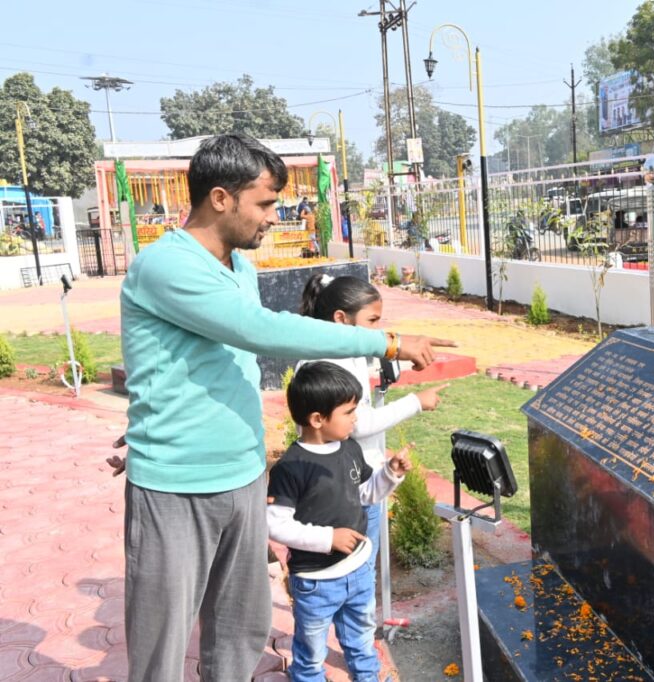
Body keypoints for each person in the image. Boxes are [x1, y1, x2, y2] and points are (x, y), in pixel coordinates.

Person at [116, 133, 452, 681]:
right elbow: (258, 331)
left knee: (240, 625)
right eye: (266, 202)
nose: (275, 216)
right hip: (178, 485)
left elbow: (213, 362)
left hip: (243, 475)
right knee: (163, 639)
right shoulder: (165, 266)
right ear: (221, 198)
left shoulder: (239, 270)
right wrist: (387, 343)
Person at [267, 361, 411, 682]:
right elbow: (276, 526)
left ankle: (367, 677)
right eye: (348, 411)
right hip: (317, 582)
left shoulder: (349, 450)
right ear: (317, 419)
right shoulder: (291, 468)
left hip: (358, 573)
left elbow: (366, 494)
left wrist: (391, 474)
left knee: (361, 637)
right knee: (311, 652)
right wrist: (328, 539)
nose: (356, 417)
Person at [298, 274, 448, 580]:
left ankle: (361, 628)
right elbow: (358, 423)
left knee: (362, 584)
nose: (378, 331)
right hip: (343, 492)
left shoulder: (347, 353)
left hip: (365, 481)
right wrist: (416, 402)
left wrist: (409, 358)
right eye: (372, 321)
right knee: (344, 579)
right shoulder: (325, 364)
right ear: (341, 319)